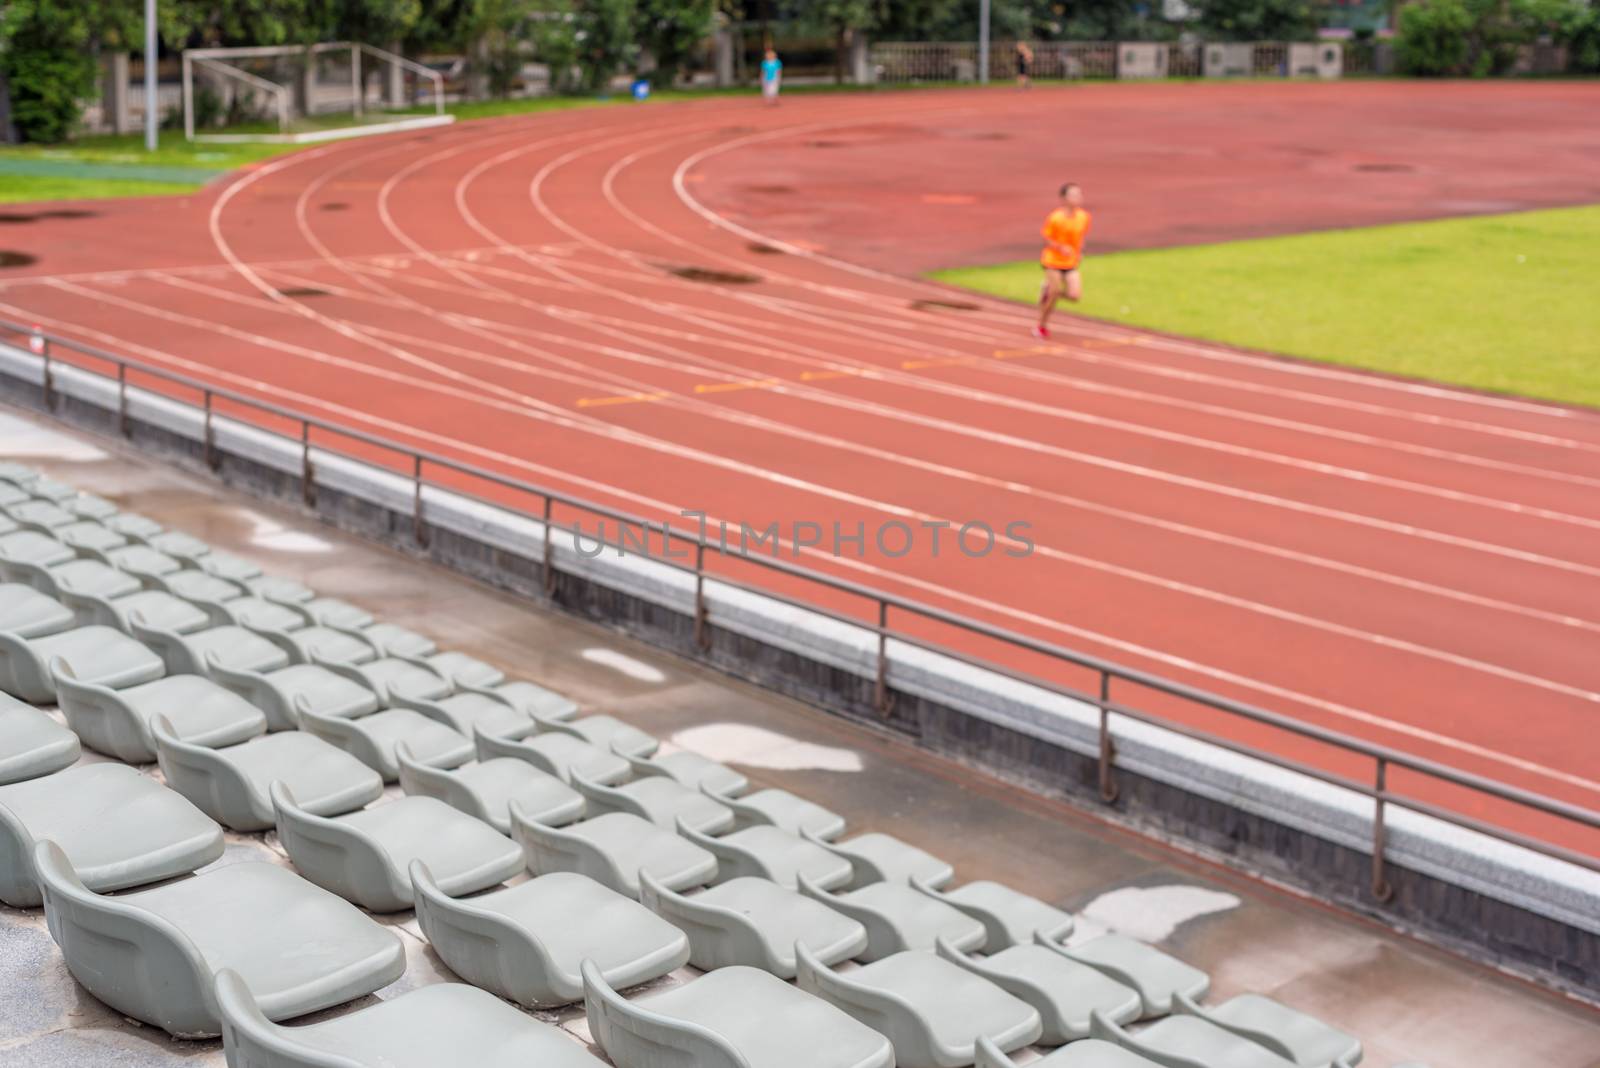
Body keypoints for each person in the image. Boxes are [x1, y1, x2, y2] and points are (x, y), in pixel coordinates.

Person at [1035, 182, 1090, 339]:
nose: (1078, 198)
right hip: (1052, 260)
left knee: (1074, 295)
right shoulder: (1055, 218)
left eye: (1079, 194)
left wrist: (1079, 251)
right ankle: (1041, 325)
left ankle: (1047, 290)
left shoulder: (1083, 217)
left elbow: (1080, 237)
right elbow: (1046, 239)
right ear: (1064, 199)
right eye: (1073, 195)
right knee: (1056, 291)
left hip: (1071, 262)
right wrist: (1060, 248)